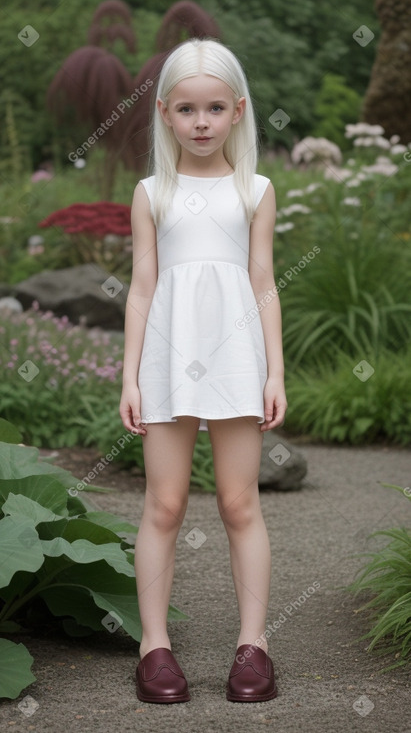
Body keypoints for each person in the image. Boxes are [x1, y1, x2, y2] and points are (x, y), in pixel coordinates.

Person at [119, 36, 287, 704]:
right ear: (163, 112)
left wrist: (274, 371)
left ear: (238, 110)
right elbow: (139, 288)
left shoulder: (256, 190)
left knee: (238, 502)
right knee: (163, 504)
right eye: (186, 109)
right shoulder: (151, 194)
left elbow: (264, 282)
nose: (200, 122)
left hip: (236, 359)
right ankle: (153, 647)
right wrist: (130, 376)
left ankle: (254, 646)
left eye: (214, 108)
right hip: (165, 358)